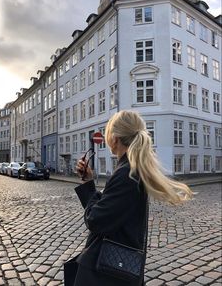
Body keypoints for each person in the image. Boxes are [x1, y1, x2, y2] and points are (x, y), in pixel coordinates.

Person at [65, 110, 192, 286]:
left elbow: (96, 220)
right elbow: (114, 208)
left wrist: (89, 188)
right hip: (118, 268)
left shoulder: (127, 173)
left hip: (110, 274)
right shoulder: (131, 169)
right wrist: (88, 181)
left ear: (114, 138)